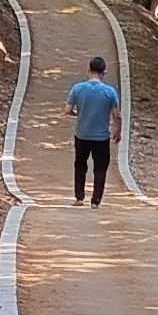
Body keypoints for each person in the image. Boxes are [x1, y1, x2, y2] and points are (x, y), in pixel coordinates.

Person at [68, 56, 120, 206]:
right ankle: (95, 201)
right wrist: (118, 131)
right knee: (100, 168)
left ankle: (79, 197)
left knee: (80, 165)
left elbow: (67, 110)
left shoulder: (77, 88)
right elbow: (117, 115)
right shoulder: (110, 92)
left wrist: (77, 114)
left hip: (82, 134)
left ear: (89, 70)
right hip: (101, 137)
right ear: (104, 72)